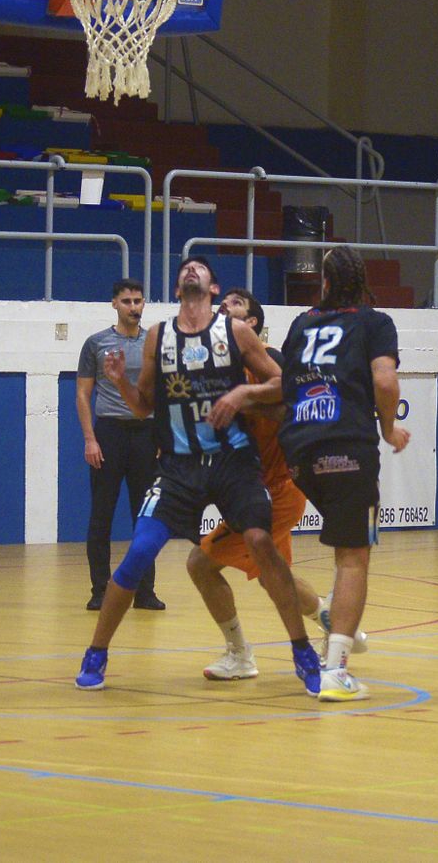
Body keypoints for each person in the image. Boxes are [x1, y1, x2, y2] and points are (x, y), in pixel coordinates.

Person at [74, 257, 324, 693]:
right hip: (178, 466)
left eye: (200, 269)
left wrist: (244, 392)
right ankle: (96, 655)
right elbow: (144, 407)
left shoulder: (236, 332)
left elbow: (285, 386)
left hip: (234, 462)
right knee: (138, 553)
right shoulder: (159, 336)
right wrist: (119, 381)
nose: (191, 271)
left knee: (262, 546)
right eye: (185, 269)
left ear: (212, 289)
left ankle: (302, 651)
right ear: (177, 291)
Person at [187, 287, 357, 682]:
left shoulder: (273, 365)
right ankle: (334, 620)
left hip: (276, 491)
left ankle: (240, 654)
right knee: (272, 576)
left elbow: (288, 406)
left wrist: (244, 400)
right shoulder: (215, 365)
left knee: (200, 564)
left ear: (251, 325)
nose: (225, 306)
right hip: (252, 489)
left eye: (236, 304)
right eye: (222, 302)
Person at [265, 247, 410, 700]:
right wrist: (387, 427)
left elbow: (283, 385)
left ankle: (335, 639)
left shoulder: (301, 323)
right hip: (348, 447)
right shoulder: (374, 322)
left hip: (299, 452)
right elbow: (385, 382)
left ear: (324, 282)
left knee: (341, 547)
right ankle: (337, 670)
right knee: (352, 556)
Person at [75, 277, 164, 612]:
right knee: (101, 515)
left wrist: (162, 439)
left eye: (138, 301)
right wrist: (90, 438)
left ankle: (145, 591)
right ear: (114, 304)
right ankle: (100, 590)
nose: (133, 308)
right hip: (109, 432)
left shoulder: (152, 344)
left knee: (147, 517)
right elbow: (83, 394)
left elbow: (161, 394)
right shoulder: (96, 343)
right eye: (127, 302)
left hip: (146, 433)